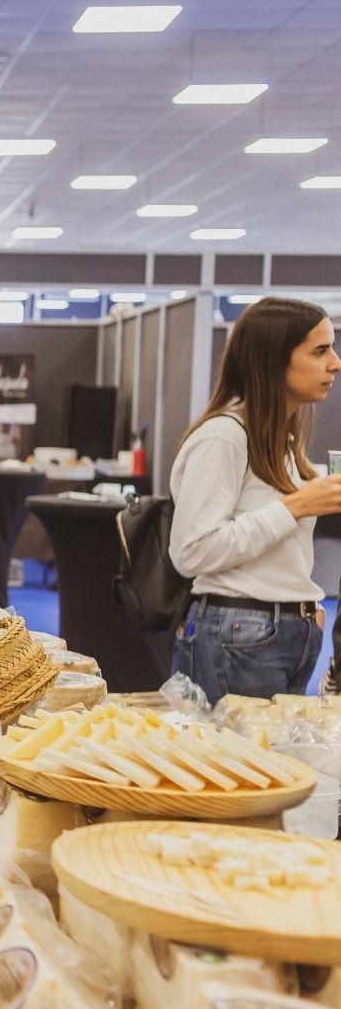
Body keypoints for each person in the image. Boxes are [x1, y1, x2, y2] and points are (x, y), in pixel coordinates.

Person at [170, 297, 341, 704]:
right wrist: (296, 506)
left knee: (274, 765)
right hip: (240, 631)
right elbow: (191, 551)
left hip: (283, 631)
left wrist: (302, 605)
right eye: (320, 351)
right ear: (273, 359)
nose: (334, 363)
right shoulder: (224, 437)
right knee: (238, 765)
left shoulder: (280, 440)